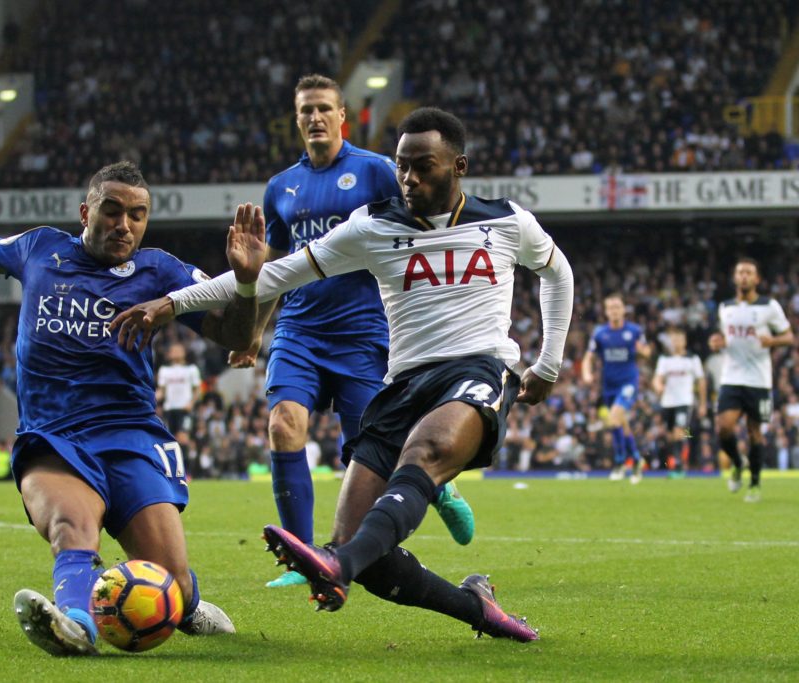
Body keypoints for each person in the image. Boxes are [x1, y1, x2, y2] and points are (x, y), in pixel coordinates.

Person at [115, 107, 574, 642]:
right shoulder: (372, 226)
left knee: (426, 449)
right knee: (367, 548)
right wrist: (172, 303)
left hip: (478, 369)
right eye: (402, 166)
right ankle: (476, 607)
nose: (409, 178)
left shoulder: (507, 221)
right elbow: (277, 276)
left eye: (423, 166)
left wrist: (548, 363)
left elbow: (557, 272)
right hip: (402, 386)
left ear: (459, 166)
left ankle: (336, 565)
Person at [0, 156, 262, 655]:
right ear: (86, 212)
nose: (124, 224)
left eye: (137, 215)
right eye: (111, 210)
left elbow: (234, 336)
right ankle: (76, 624)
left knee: (173, 581)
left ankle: (187, 605)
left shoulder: (161, 270)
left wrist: (248, 282)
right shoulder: (41, 248)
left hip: (130, 436)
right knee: (70, 527)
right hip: (53, 437)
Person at [233, 73, 475, 588]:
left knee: (369, 450)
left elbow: (423, 218)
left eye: (324, 108)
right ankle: (300, 557)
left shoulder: (377, 171)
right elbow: (273, 265)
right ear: (296, 120)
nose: (315, 118)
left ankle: (439, 489)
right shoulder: (281, 187)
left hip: (364, 330)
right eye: (306, 111)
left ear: (344, 116)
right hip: (298, 329)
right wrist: (255, 332)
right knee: (282, 425)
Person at [716, 257, 793, 502]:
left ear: (757, 279)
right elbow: (725, 339)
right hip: (731, 376)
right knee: (724, 427)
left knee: (754, 432)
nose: (744, 276)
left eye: (749, 272)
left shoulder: (769, 306)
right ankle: (738, 464)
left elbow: (789, 337)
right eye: (740, 272)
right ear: (735, 278)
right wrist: (717, 343)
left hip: (759, 380)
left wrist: (773, 341)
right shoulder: (725, 307)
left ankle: (755, 483)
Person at [581, 293, 651, 483]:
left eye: (617, 307)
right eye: (610, 307)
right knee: (619, 424)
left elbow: (646, 353)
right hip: (608, 385)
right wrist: (586, 373)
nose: (614, 311)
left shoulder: (635, 331)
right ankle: (634, 460)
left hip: (628, 383)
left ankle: (622, 462)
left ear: (623, 309)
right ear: (606, 311)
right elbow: (589, 356)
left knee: (614, 418)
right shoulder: (600, 333)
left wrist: (643, 352)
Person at [652, 329, 706, 477]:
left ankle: (679, 466)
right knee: (671, 435)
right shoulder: (664, 359)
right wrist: (658, 386)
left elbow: (701, 381)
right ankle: (676, 460)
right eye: (673, 340)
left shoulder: (692, 358)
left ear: (684, 341)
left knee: (679, 431)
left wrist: (702, 403)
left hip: (684, 401)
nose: (676, 343)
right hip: (668, 402)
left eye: (679, 339)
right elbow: (657, 378)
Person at [156, 343, 201, 435]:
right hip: (169, 410)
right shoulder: (164, 370)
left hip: (184, 409)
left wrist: (191, 403)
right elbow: (162, 391)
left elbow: (197, 390)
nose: (176, 352)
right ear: (169, 354)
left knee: (183, 437)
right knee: (170, 438)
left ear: (184, 352)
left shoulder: (192, 369)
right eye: (173, 350)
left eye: (178, 350)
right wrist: (151, 399)